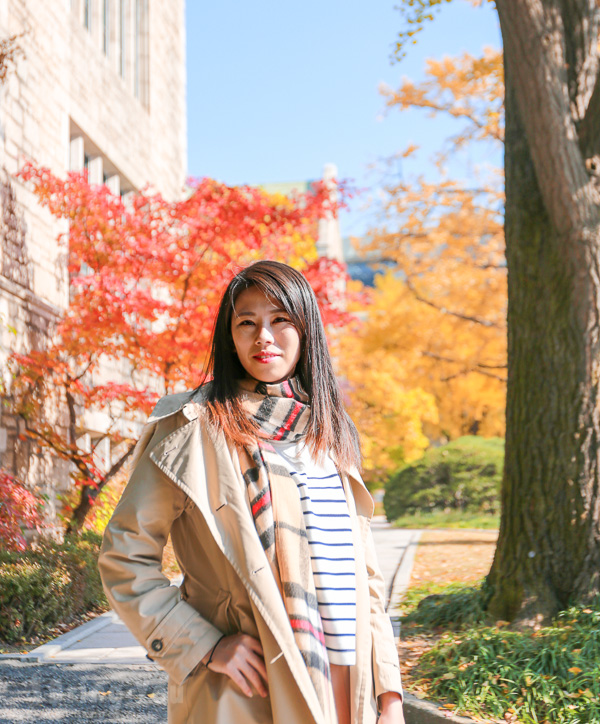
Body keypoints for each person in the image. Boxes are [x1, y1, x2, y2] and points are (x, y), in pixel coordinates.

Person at [99, 260, 405, 724]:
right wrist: (203, 645)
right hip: (251, 691)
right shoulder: (193, 428)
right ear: (231, 336)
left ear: (307, 329)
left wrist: (390, 694)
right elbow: (124, 556)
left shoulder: (331, 431)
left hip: (349, 683)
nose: (264, 335)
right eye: (247, 322)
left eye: (280, 319)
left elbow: (365, 577)